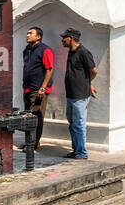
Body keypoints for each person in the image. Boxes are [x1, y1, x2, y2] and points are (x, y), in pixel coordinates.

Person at [60, 28, 97, 159]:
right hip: (70, 94)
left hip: (79, 95)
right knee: (72, 124)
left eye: (64, 38)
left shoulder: (84, 52)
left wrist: (87, 84)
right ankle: (76, 150)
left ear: (71, 38)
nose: (62, 41)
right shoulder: (71, 52)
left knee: (79, 125)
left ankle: (82, 153)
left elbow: (93, 71)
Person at [21, 26, 55, 148]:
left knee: (36, 116)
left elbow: (49, 69)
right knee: (27, 116)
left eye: (31, 33)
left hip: (38, 90)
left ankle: (34, 143)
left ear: (38, 36)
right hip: (27, 88)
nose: (27, 35)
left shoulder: (45, 50)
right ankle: (28, 141)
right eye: (27, 33)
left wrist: (43, 88)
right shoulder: (26, 50)